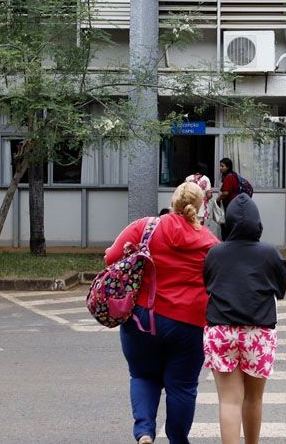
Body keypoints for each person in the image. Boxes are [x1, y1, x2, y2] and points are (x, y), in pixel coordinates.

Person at [105, 181, 220, 444]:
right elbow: (218, 280)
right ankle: (177, 439)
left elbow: (111, 259)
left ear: (173, 203)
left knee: (143, 375)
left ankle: (145, 432)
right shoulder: (211, 243)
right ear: (202, 207)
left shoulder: (145, 226)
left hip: (144, 318)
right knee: (182, 386)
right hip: (190, 323)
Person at [203, 193, 286, 444]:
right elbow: (280, 291)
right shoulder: (270, 253)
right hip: (258, 331)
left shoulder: (215, 253)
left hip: (220, 330)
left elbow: (208, 285)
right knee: (254, 398)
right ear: (257, 223)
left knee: (229, 400)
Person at [217, 157, 241, 239]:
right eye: (220, 166)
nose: (220, 168)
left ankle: (226, 243)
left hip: (229, 204)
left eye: (222, 166)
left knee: (225, 225)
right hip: (234, 204)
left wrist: (218, 199)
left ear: (228, 167)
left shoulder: (228, 177)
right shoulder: (234, 175)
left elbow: (225, 193)